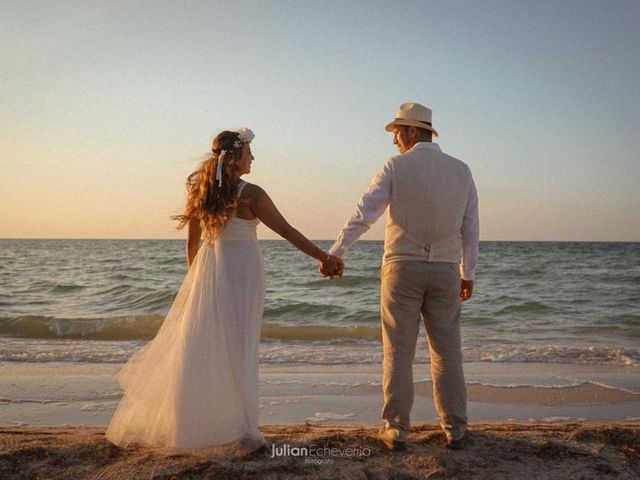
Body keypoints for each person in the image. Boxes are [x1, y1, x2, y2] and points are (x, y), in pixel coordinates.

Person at [106, 128, 343, 454]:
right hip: (243, 272)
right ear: (236, 157)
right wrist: (325, 258)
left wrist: (199, 280)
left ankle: (195, 423)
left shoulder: (201, 192)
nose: (254, 158)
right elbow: (286, 231)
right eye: (250, 152)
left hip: (209, 271)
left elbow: (192, 244)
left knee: (205, 346)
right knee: (240, 345)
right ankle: (243, 427)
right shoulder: (253, 194)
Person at [323, 103, 479, 450]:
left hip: (402, 267)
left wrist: (337, 251)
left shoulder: (396, 165)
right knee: (448, 351)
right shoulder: (462, 170)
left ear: (411, 131)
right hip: (445, 270)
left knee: (398, 351)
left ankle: (396, 429)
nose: (394, 140)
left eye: (397, 132)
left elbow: (365, 212)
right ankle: (456, 428)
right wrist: (467, 272)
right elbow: (471, 228)